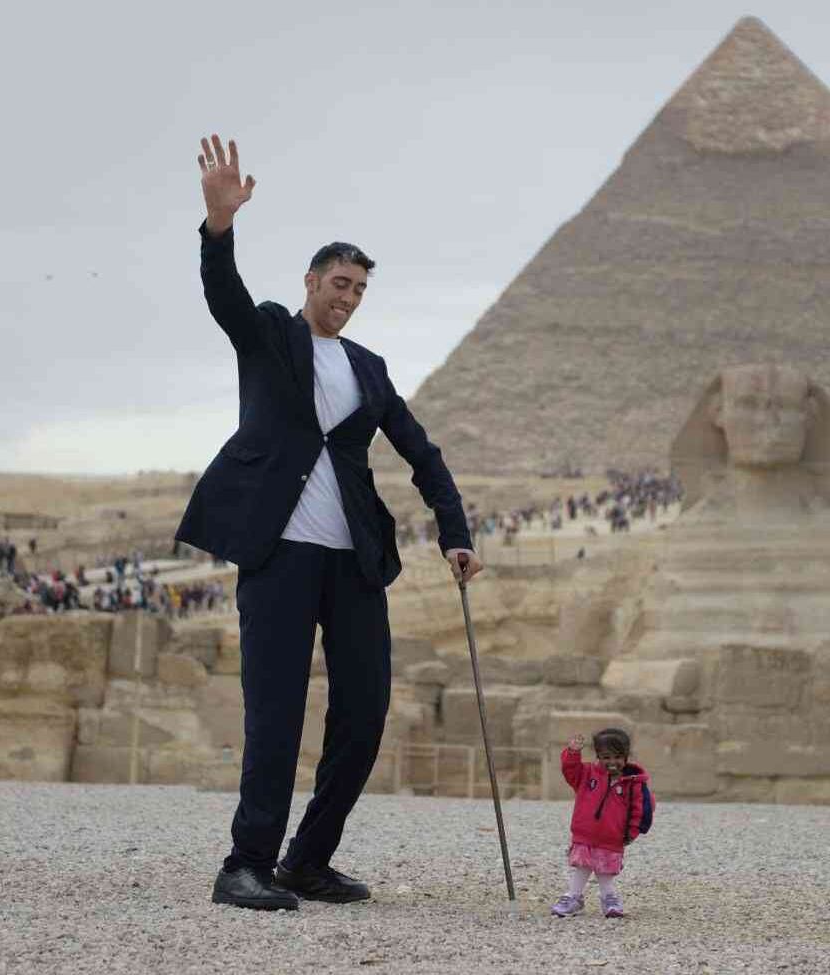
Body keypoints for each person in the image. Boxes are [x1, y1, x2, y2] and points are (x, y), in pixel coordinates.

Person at [177, 134, 483, 913]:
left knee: (365, 713)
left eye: (358, 291)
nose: (346, 298)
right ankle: (244, 863)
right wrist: (219, 226)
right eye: (338, 283)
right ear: (311, 280)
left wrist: (455, 530)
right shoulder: (273, 334)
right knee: (274, 715)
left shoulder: (369, 369)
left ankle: (307, 859)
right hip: (279, 555)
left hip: (352, 563)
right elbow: (223, 297)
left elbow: (422, 451)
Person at [550, 729, 649, 920]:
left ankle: (609, 898)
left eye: (618, 757)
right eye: (606, 757)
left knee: (605, 870)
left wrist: (632, 832)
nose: (612, 761)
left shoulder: (632, 783)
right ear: (597, 756)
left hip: (612, 837)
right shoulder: (587, 774)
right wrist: (572, 753)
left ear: (626, 756)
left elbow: (638, 810)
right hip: (584, 835)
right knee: (582, 867)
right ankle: (573, 897)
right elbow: (570, 771)